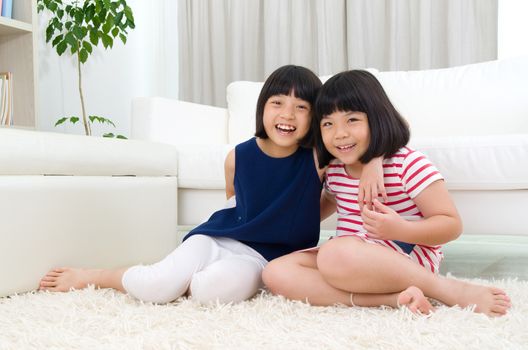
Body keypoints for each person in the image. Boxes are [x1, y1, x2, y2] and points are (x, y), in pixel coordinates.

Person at [263, 70, 512, 317]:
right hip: (348, 260)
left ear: (377, 118)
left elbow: (451, 225)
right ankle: (392, 299)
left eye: (352, 120)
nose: (339, 133)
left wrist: (400, 229)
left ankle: (446, 289)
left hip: (403, 260)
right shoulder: (336, 170)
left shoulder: (407, 164)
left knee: (334, 253)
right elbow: (318, 209)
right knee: (275, 272)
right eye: (328, 123)